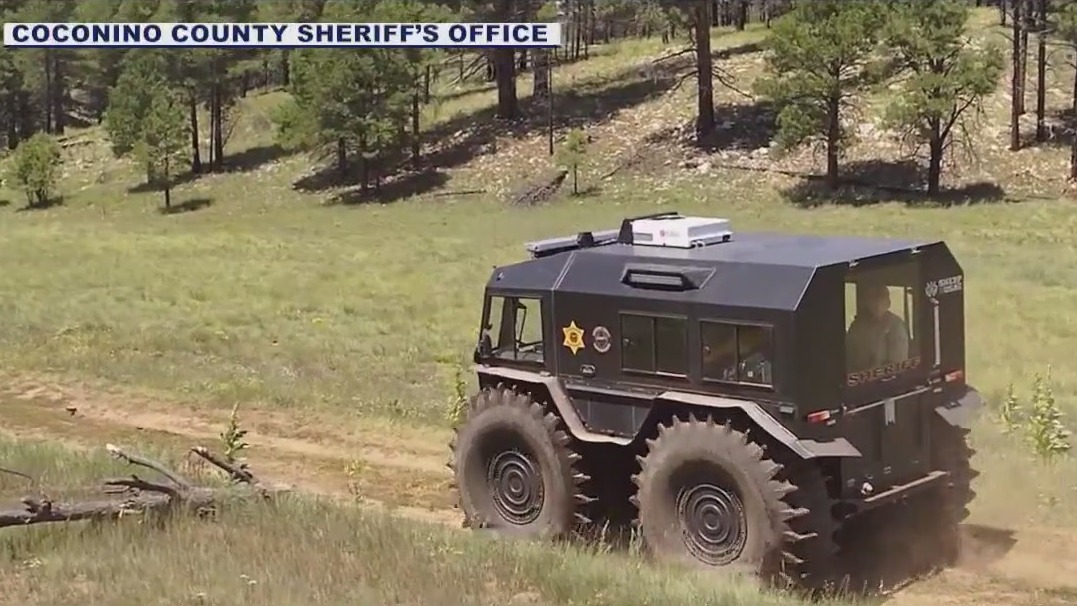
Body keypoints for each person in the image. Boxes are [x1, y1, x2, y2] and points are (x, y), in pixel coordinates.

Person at [845, 283, 910, 372]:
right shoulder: (857, 325)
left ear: (888, 303)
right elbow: (847, 354)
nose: (877, 304)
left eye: (881, 299)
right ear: (868, 302)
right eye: (873, 299)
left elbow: (898, 364)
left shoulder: (896, 326)